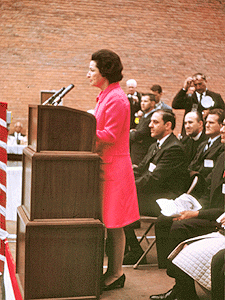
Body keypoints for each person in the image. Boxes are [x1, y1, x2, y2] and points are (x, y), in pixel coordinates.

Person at [150, 118, 225, 299]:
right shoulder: (223, 157)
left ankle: (183, 289)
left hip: (220, 218)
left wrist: (197, 213)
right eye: (222, 125)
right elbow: (209, 191)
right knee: (168, 219)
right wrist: (188, 204)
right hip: (212, 212)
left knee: (180, 227)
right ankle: (180, 285)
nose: (222, 129)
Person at [86, 49, 140, 291]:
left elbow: (110, 135)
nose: (87, 74)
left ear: (104, 73)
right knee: (111, 224)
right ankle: (113, 271)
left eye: (91, 70)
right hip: (107, 166)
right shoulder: (106, 95)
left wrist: (82, 130)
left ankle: (117, 273)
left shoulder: (117, 98)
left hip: (115, 169)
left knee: (114, 224)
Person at [123, 110, 189, 265]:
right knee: (120, 199)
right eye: (150, 122)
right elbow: (142, 169)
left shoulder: (174, 148)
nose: (150, 126)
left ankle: (134, 249)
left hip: (165, 199)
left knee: (121, 203)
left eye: (155, 122)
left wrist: (130, 186)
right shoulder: (155, 145)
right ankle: (129, 248)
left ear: (168, 125)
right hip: (154, 194)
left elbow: (155, 179)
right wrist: (126, 177)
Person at [188, 108, 224, 182]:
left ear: (221, 125)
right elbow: (192, 165)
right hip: (194, 183)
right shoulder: (203, 144)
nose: (207, 125)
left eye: (211, 123)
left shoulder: (222, 146)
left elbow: (214, 173)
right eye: (206, 122)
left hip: (206, 187)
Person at [130, 93, 156, 165]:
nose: (142, 104)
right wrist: (133, 132)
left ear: (152, 103)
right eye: (141, 101)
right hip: (136, 154)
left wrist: (132, 133)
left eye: (145, 101)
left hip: (142, 155)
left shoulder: (152, 117)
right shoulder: (144, 116)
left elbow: (139, 135)